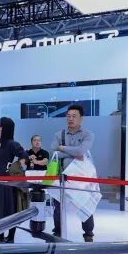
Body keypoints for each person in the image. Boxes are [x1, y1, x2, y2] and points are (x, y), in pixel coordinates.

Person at [51, 104, 96, 242]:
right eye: (68, 116)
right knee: (58, 205)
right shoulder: (59, 134)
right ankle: (57, 231)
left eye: (74, 116)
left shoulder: (87, 134)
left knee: (84, 205)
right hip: (62, 176)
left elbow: (81, 151)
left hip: (81, 177)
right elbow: (54, 153)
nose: (70, 119)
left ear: (81, 118)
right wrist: (74, 152)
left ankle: (88, 234)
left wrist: (63, 148)